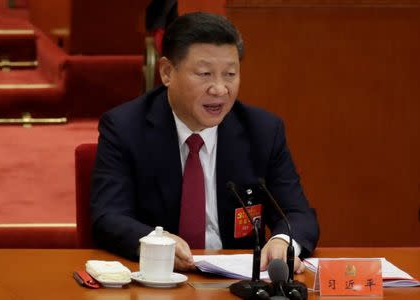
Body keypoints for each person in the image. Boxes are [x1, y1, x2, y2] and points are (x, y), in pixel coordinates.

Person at [91, 12, 319, 273]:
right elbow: (108, 216)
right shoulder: (125, 127)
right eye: (204, 74)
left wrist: (283, 241)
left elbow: (298, 215)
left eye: (230, 74)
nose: (220, 89)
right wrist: (154, 242)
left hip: (236, 284)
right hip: (159, 279)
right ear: (167, 72)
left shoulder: (263, 131)